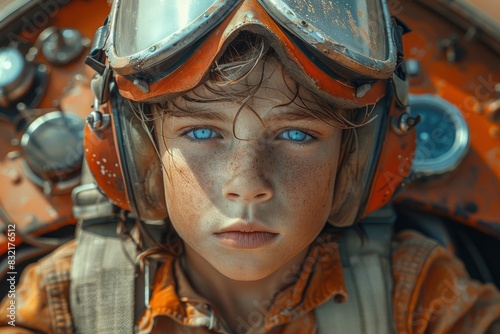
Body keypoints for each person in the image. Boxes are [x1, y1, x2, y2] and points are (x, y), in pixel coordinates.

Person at [1, 0, 500, 333]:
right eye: (201, 132)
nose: (247, 185)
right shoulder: (62, 300)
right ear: (142, 155)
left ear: (355, 162)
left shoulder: (421, 296)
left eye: (297, 134)